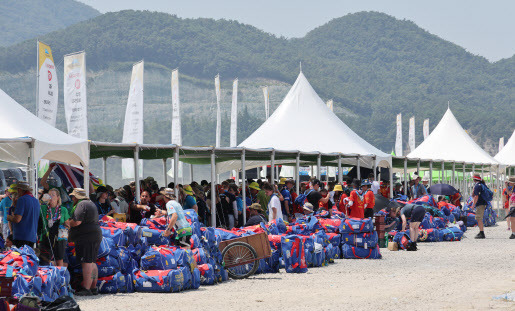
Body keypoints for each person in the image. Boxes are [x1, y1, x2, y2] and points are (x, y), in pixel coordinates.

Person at [68, 188, 102, 296]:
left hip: (86, 236)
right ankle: (93, 287)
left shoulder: (81, 204)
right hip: (95, 234)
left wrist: (68, 223)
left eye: (73, 196)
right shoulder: (90, 203)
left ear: (77, 197)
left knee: (86, 262)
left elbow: (77, 221)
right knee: (92, 261)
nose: (72, 198)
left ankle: (86, 288)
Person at [39, 188, 70, 267]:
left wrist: (63, 227)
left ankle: (59, 277)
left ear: (58, 197)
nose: (51, 197)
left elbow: (68, 225)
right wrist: (42, 200)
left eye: (53, 195)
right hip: (46, 237)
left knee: (59, 260)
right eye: (49, 195)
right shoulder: (43, 208)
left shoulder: (63, 210)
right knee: (45, 260)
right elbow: (35, 206)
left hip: (59, 238)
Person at [7, 182, 40, 248]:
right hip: (32, 236)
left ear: (19, 190)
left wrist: (9, 217)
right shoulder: (36, 201)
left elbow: (17, 219)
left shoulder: (22, 199)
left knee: (21, 257)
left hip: (21, 236)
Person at [471, 174, 488, 239]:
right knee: (479, 218)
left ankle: (481, 233)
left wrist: (473, 205)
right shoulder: (482, 184)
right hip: (483, 203)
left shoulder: (478, 186)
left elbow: (476, 196)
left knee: (479, 218)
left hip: (480, 204)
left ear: (474, 179)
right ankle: (481, 232)